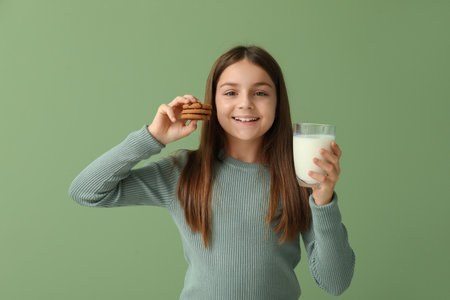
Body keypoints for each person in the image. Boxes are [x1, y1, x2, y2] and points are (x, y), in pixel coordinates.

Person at [68, 45, 355, 299]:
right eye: (231, 92)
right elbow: (86, 192)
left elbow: (335, 282)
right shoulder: (183, 172)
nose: (245, 102)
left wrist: (324, 200)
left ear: (278, 103)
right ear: (212, 103)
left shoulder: (300, 177)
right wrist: (153, 136)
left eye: (261, 92)